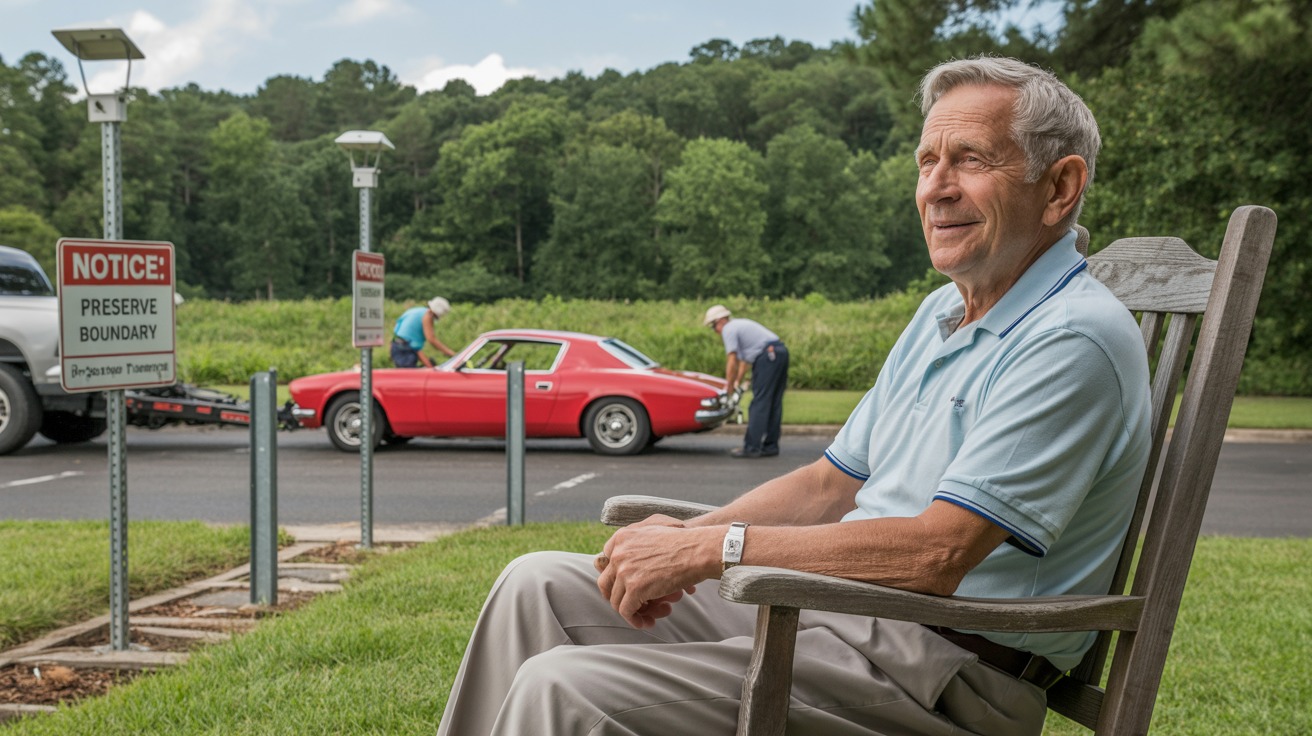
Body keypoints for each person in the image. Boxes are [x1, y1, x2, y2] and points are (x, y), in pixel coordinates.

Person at [436, 56, 1151, 736]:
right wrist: (683, 541)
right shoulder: (942, 314)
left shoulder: (1068, 338)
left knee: (564, 688)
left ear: (1059, 188)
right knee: (534, 584)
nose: (936, 186)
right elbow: (827, 484)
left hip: (939, 674)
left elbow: (940, 554)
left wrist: (714, 549)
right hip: (831, 615)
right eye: (927, 162)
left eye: (970, 158)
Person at [703, 305, 788, 458]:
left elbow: (732, 359)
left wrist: (728, 387)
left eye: (713, 326)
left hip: (768, 356)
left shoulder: (729, 329)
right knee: (774, 402)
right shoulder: (739, 325)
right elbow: (744, 362)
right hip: (778, 352)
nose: (714, 330)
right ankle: (770, 446)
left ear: (721, 321)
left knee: (759, 403)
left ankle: (752, 447)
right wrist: (737, 382)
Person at [390, 297, 456, 369]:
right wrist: (450, 353)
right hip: (405, 350)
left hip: (396, 346)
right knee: (410, 377)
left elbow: (397, 330)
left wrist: (429, 365)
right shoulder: (428, 315)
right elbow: (431, 339)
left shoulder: (415, 311)